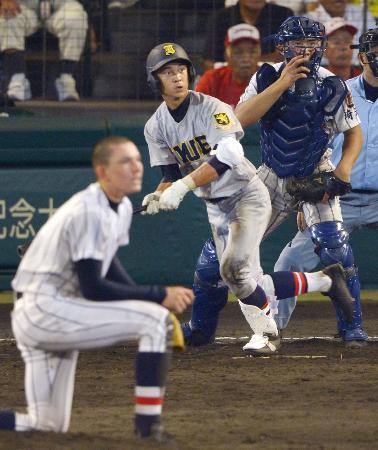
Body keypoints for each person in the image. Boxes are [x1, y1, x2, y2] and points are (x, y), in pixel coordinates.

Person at [141, 41, 355, 355]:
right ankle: (323, 282)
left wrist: (181, 188)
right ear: (154, 81)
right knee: (244, 279)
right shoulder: (155, 126)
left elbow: (228, 153)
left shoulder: (213, 108)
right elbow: (170, 177)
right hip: (216, 207)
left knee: (236, 272)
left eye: (181, 70)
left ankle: (267, 334)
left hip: (247, 196)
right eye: (167, 72)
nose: (177, 77)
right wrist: (158, 195)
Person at [0, 135, 194, 443]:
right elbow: (94, 288)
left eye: (138, 160)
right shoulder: (90, 210)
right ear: (103, 172)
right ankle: (148, 429)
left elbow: (110, 268)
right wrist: (158, 297)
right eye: (125, 162)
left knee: (47, 423)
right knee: (154, 324)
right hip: (45, 311)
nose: (136, 167)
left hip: (53, 311)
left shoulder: (118, 208)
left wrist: (148, 302)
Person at [274, 27, 378, 342]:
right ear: (363, 56)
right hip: (336, 199)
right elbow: (314, 148)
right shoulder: (338, 92)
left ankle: (352, 328)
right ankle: (271, 329)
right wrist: (310, 201)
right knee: (289, 262)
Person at [0, 0, 88, 101]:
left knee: (76, 19)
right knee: (7, 16)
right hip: (24, 4)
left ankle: (66, 80)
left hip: (61, 4)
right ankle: (18, 79)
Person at [202, 0, 293, 71]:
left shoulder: (284, 14)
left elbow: (288, 57)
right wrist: (266, 58)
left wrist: (237, 61)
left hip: (273, 81)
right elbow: (209, 63)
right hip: (229, 82)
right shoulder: (219, 18)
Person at [196, 23, 261, 108]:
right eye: (238, 52)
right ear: (226, 56)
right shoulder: (211, 80)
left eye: (252, 52)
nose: (246, 58)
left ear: (259, 54)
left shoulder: (270, 81)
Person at [305, 0, 376, 64]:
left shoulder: (363, 13)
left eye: (347, 40)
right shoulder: (307, 21)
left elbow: (374, 49)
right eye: (336, 42)